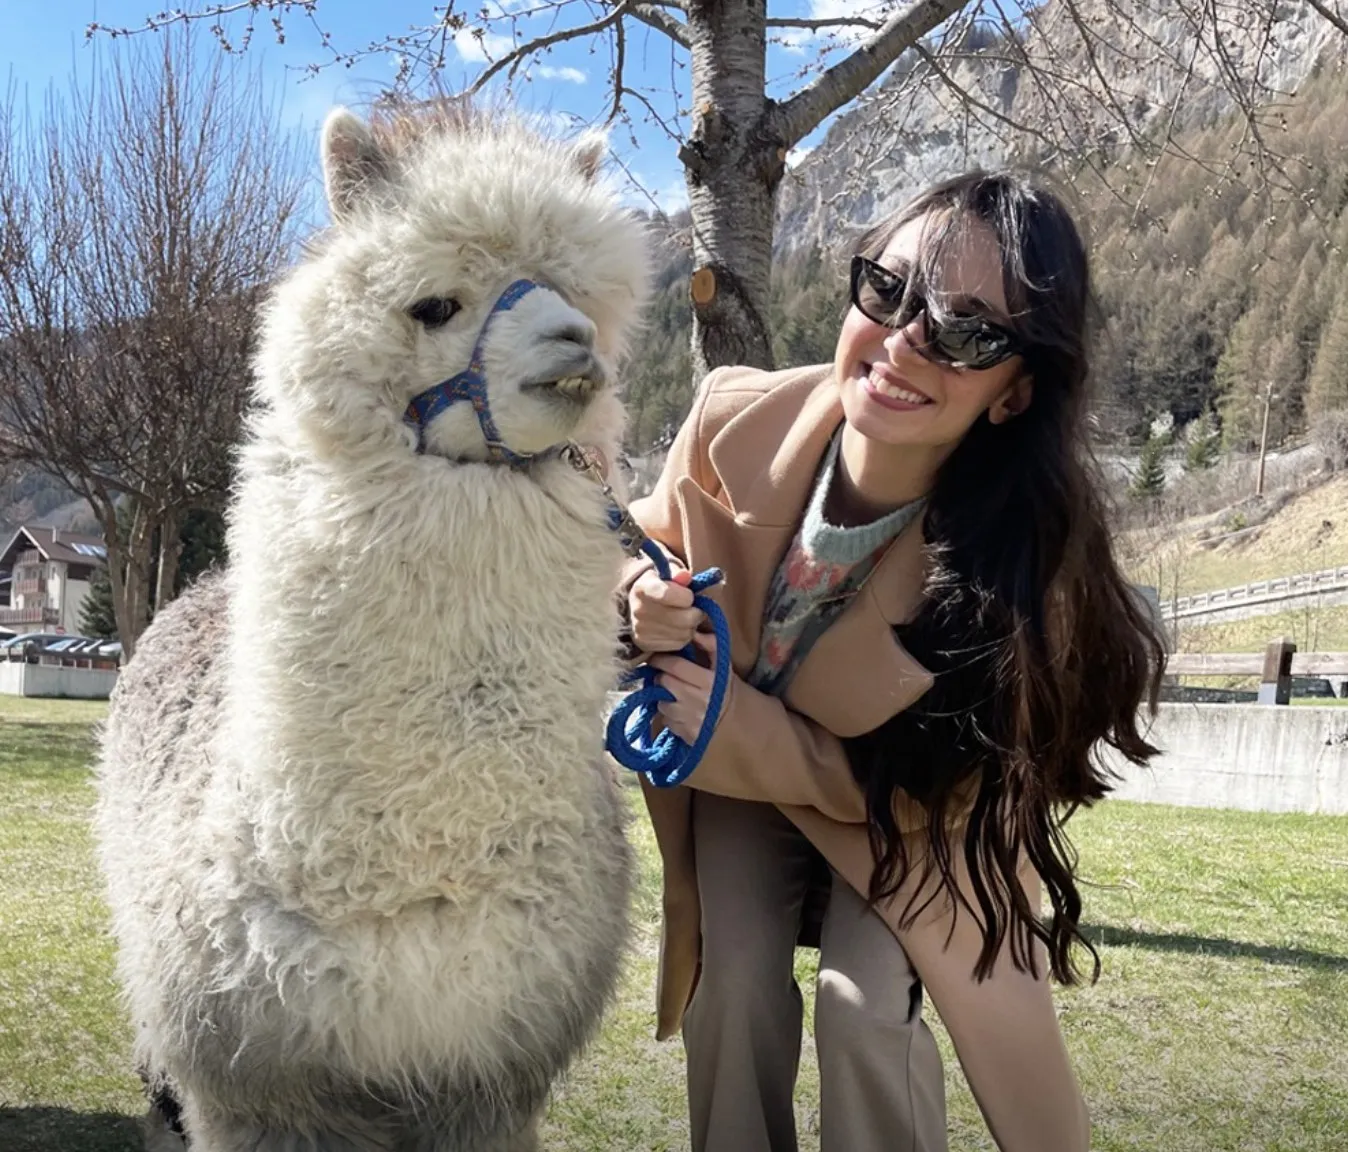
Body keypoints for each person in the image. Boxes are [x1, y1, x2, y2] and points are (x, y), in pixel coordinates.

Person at [618, 170, 1165, 1152]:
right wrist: (640, 597)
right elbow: (645, 540)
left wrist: (729, 720)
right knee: (730, 984)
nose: (905, 340)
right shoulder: (731, 419)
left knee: (862, 1007)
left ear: (1015, 392)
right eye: (887, 291)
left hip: (912, 815)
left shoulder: (1016, 577)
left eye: (964, 330)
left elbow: (920, 798)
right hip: (743, 782)